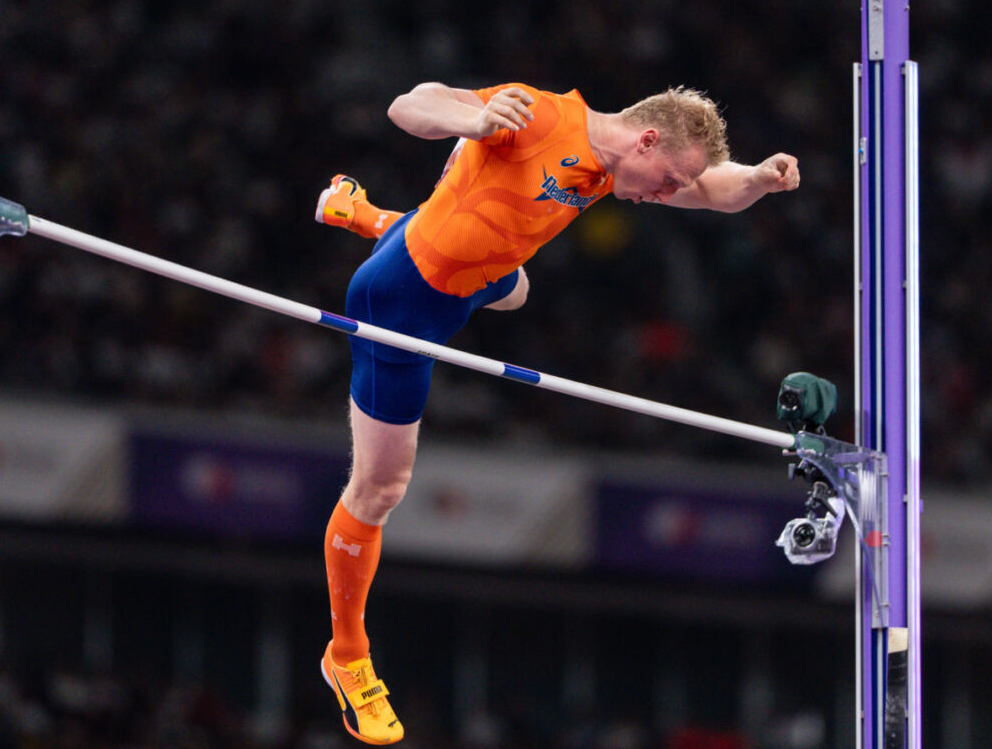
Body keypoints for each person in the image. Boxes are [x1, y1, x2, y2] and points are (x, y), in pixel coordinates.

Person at [311, 81, 801, 744]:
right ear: (648, 139)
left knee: (515, 289)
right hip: (400, 303)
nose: (665, 194)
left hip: (473, 277)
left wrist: (759, 180)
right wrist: (476, 120)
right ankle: (347, 656)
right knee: (380, 487)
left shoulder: (610, 167)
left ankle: (365, 213)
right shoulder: (539, 115)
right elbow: (407, 104)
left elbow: (715, 190)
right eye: (668, 180)